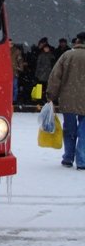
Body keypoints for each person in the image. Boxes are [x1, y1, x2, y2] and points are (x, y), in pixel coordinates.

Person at [45, 31, 85, 169]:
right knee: (84, 131)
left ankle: (68, 158)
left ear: (77, 41)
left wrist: (51, 96)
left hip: (68, 98)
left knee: (69, 130)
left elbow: (55, 77)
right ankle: (82, 160)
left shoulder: (67, 55)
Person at [10, 40, 26, 106]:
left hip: (14, 71)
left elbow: (20, 60)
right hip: (6, 72)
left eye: (11, 43)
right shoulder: (4, 50)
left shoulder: (16, 51)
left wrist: (20, 68)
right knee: (8, 87)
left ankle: (14, 100)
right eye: (9, 43)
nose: (10, 44)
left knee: (14, 86)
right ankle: (9, 99)